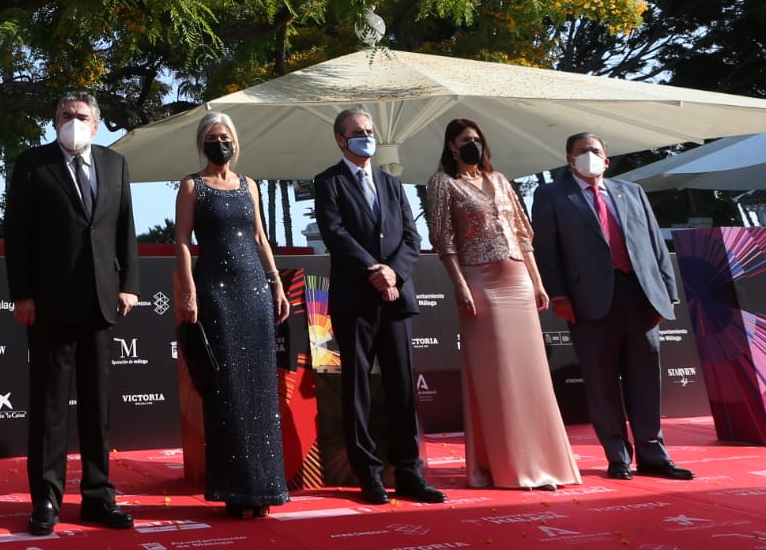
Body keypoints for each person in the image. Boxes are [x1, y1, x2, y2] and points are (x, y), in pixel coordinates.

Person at [6, 90, 140, 536]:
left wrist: (129, 286)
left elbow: (124, 227)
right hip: (49, 304)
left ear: (97, 124)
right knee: (50, 408)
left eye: (82, 115)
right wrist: (22, 294)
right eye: (66, 114)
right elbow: (18, 234)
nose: (74, 121)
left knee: (97, 408)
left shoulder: (114, 164)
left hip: (102, 301)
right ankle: (46, 500)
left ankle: (99, 497)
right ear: (54, 121)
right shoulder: (31, 165)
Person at [426, 118, 579, 491]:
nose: (473, 145)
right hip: (481, 283)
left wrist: (538, 282)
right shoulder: (442, 184)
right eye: (465, 140)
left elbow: (524, 235)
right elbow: (444, 241)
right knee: (499, 376)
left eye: (477, 139)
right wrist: (460, 286)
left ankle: (545, 463)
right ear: (450, 146)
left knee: (531, 374)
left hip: (518, 279)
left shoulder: (500, 180)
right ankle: (508, 465)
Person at [530, 132, 691, 481]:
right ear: (570, 159)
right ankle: (617, 455)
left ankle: (653, 452)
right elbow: (547, 249)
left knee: (646, 378)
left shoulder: (632, 192)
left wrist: (668, 292)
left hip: (641, 295)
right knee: (601, 381)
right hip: (589, 301)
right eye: (581, 151)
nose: (589, 155)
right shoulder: (551, 195)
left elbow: (654, 243)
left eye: (595, 151)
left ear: (606, 160)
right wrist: (559, 295)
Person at [310, 107, 443, 505]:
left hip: (395, 298)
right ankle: (367, 472)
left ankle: (409, 472)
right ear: (340, 139)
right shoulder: (328, 182)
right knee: (357, 389)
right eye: (357, 132)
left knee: (402, 386)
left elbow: (411, 236)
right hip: (356, 299)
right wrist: (373, 270)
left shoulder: (391, 182)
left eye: (369, 130)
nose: (365, 136)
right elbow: (334, 232)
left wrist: (394, 275)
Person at [172, 111, 292, 517]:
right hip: (215, 293)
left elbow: (260, 237)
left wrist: (275, 282)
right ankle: (234, 490)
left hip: (254, 289)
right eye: (211, 137)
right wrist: (188, 290)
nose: (219, 143)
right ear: (201, 143)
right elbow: (183, 242)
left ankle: (265, 489)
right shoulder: (192, 185)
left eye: (224, 137)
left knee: (260, 392)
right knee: (227, 390)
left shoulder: (249, 185)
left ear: (235, 142)